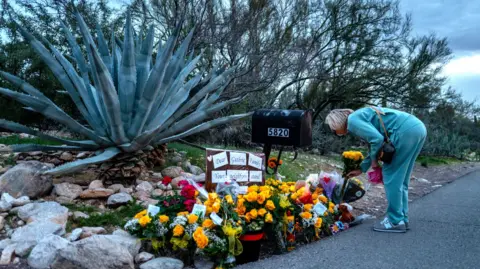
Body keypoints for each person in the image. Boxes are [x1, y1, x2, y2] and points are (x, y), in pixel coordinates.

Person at [325, 106, 427, 233]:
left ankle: (394, 221)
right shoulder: (360, 115)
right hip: (417, 128)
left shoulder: (352, 120)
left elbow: (377, 139)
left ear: (336, 121)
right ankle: (402, 218)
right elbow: (375, 142)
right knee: (402, 180)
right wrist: (362, 168)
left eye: (333, 128)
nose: (334, 132)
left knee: (391, 177)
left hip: (404, 132)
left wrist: (374, 162)